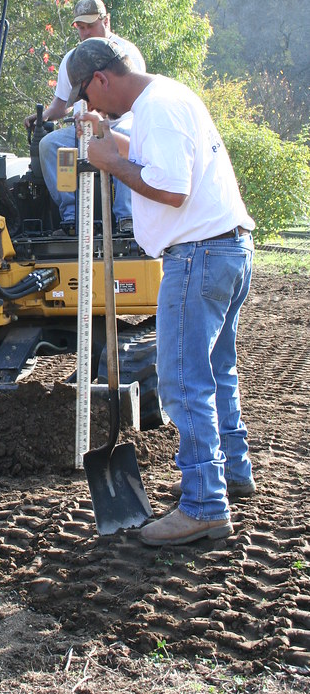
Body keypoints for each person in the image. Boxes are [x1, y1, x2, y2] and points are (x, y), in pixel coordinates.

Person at [68, 37, 256, 547]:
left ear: (102, 78)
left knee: (182, 382)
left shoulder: (159, 109)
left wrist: (109, 162)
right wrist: (109, 141)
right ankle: (230, 472)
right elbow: (160, 161)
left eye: (85, 93)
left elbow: (172, 189)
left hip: (197, 256)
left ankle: (204, 507)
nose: (86, 102)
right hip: (224, 248)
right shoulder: (167, 98)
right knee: (216, 370)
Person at [24, 0, 145, 235]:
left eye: (90, 25)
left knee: (131, 140)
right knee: (50, 145)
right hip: (82, 129)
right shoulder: (73, 59)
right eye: (81, 27)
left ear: (106, 21)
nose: (85, 32)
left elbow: (131, 98)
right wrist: (44, 116)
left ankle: (126, 217)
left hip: (118, 123)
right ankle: (71, 216)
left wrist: (101, 122)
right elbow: (62, 105)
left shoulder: (126, 52)